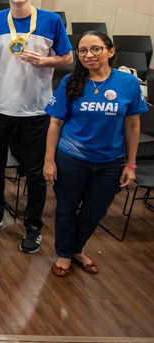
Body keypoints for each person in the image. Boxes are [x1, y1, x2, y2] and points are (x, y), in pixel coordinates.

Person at [0, 0, 73, 254]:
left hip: (36, 110)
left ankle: (33, 225)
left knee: (35, 173)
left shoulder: (51, 20)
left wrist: (45, 61)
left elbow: (68, 58)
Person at [44, 31, 146, 276]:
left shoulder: (128, 83)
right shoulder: (70, 81)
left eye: (96, 49)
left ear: (110, 51)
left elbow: (133, 125)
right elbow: (55, 123)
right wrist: (49, 161)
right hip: (71, 158)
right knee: (66, 210)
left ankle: (76, 248)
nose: (89, 54)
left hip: (110, 162)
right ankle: (64, 253)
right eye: (83, 50)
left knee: (94, 213)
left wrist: (131, 164)